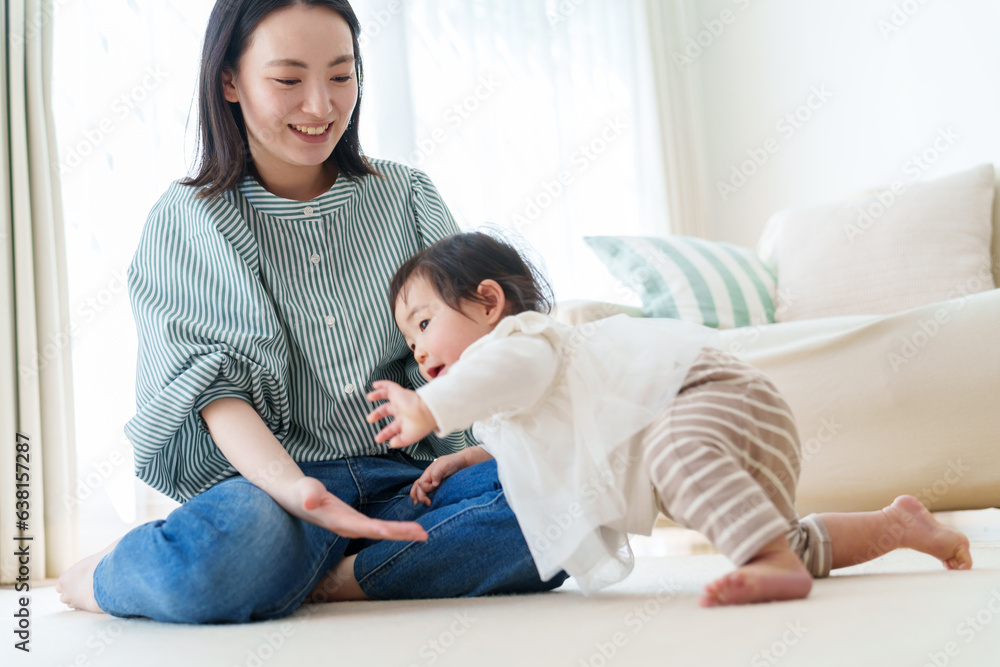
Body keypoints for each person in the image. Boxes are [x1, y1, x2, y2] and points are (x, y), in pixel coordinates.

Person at [55, 0, 567, 623]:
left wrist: (483, 452)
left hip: (414, 483)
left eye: (342, 76)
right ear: (229, 81)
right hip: (278, 492)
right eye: (289, 80)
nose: (321, 106)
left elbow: (478, 348)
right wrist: (299, 492)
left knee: (566, 501)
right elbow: (214, 392)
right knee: (223, 558)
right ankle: (111, 572)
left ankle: (338, 579)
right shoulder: (189, 220)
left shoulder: (406, 195)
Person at [366, 231, 974, 606]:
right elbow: (533, 439)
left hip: (711, 395)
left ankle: (773, 566)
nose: (417, 351)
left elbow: (510, 375)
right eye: (408, 338)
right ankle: (900, 526)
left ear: (490, 301)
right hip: (730, 432)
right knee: (780, 538)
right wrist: (463, 453)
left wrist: (429, 407)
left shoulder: (523, 340)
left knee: (680, 459)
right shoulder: (505, 394)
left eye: (423, 323)